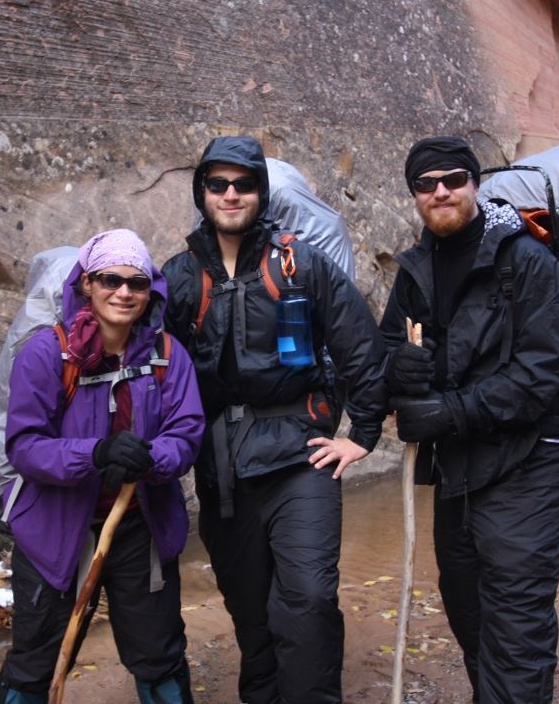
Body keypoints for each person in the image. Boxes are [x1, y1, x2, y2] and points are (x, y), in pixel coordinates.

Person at [161, 135, 389, 704]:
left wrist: (361, 435)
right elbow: (148, 361)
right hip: (223, 466)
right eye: (219, 184)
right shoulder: (181, 276)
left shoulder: (300, 265)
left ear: (261, 193)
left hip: (300, 456)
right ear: (203, 193)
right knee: (249, 610)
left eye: (244, 184)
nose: (231, 194)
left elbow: (360, 345)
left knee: (307, 600)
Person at [381, 136, 559, 704]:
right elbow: (385, 349)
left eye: (454, 179)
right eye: (426, 183)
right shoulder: (416, 268)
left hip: (527, 461)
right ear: (414, 194)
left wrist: (447, 410)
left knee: (516, 617)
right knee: (467, 610)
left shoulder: (526, 259)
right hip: (456, 468)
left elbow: (540, 375)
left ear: (475, 183)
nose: (441, 191)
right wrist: (401, 370)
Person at [0, 229, 205, 704]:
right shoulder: (48, 354)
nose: (124, 292)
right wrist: (95, 454)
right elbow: (24, 446)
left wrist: (152, 459)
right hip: (56, 529)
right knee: (35, 662)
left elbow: (187, 431)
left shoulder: (167, 356)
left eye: (137, 282)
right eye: (110, 279)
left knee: (159, 654)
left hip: (137, 526)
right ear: (86, 283)